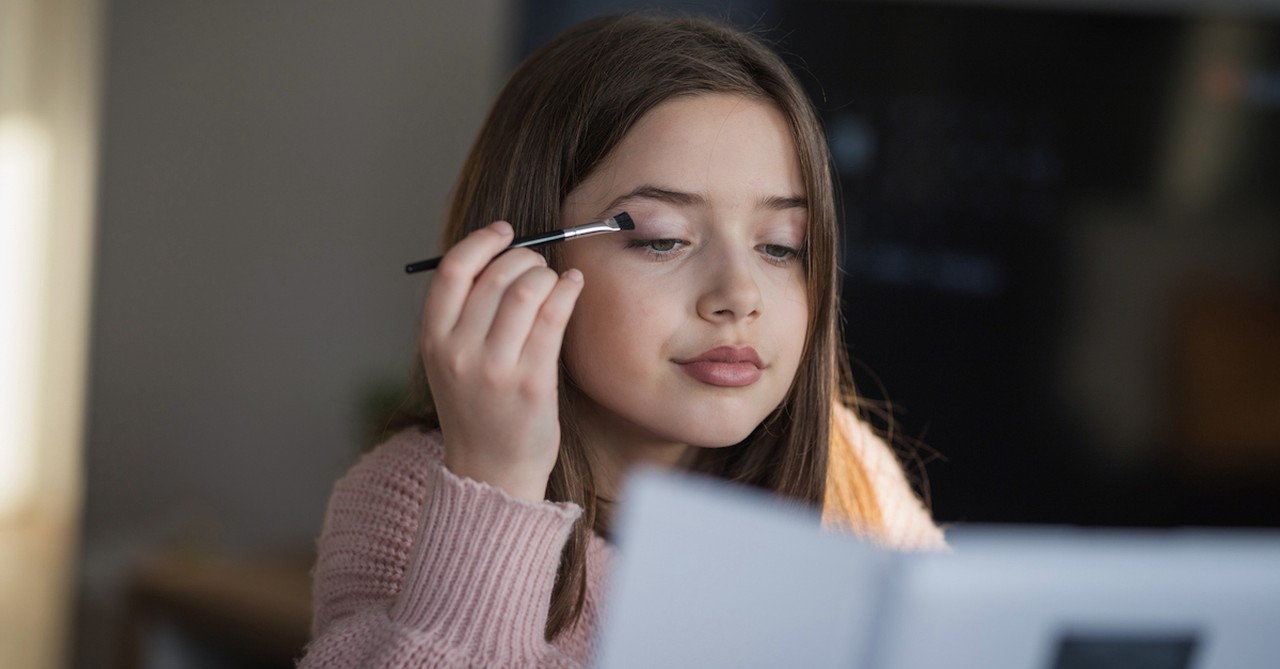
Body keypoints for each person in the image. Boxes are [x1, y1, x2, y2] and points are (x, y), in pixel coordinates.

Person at [298, 12, 945, 668]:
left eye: (780, 247)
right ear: (524, 263)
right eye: (663, 238)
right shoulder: (413, 501)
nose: (740, 295)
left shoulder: (853, 481)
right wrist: (495, 484)